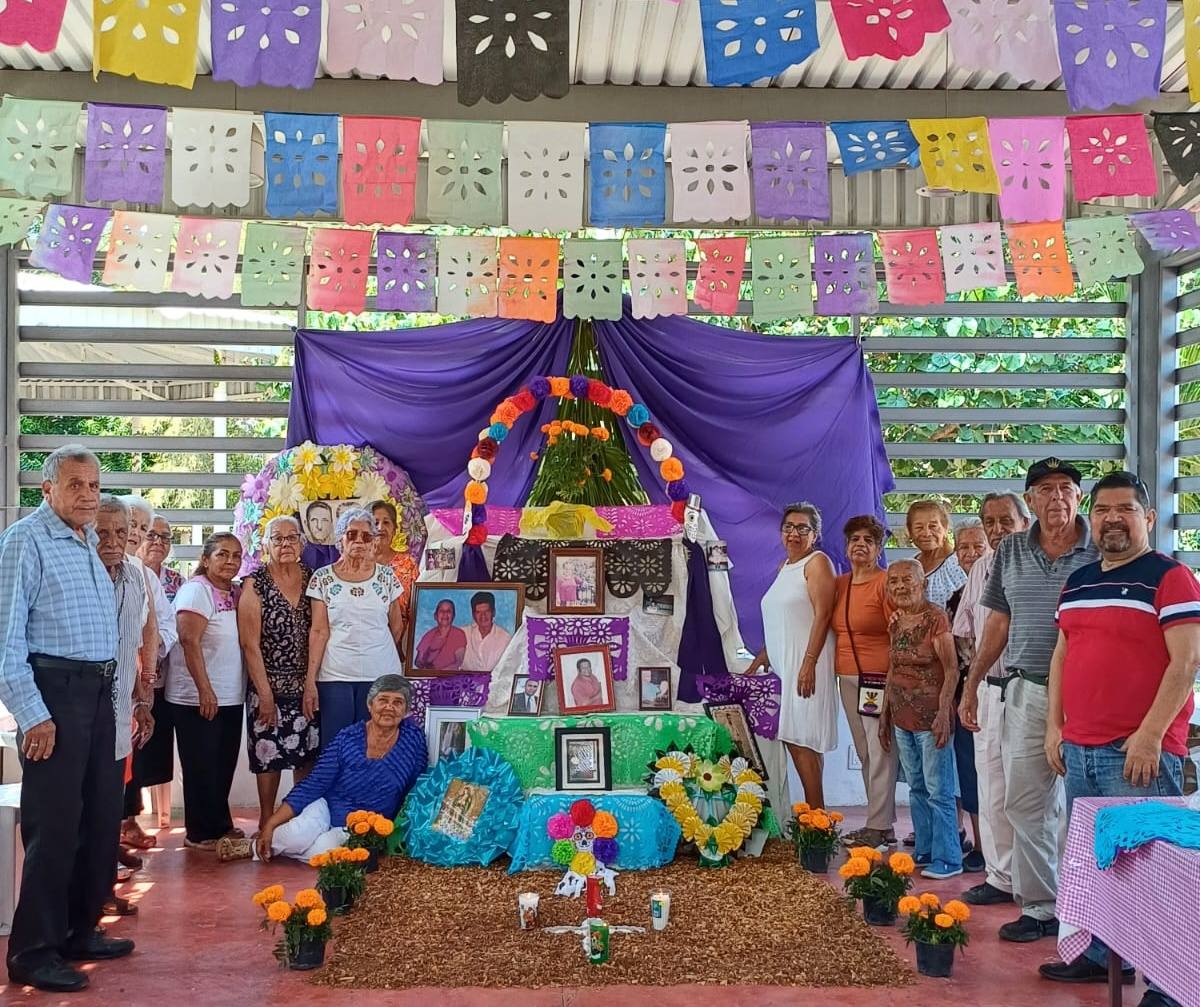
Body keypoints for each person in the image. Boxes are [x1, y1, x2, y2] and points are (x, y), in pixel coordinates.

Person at [1038, 472, 1200, 1007]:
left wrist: (1151, 734)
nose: (1112, 518)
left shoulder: (1171, 578)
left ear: (1148, 518)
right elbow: (1062, 655)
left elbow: (1187, 662)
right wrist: (1053, 727)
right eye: (1104, 509)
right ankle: (1101, 954)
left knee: (1157, 871)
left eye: (1126, 509)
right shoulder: (1080, 580)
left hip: (1137, 752)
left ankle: (1169, 984)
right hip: (1080, 750)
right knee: (1100, 865)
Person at [0, 446, 130, 993]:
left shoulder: (84, 543)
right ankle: (32, 951)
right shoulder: (24, 542)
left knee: (100, 818)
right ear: (47, 488)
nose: (87, 495)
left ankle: (81, 930)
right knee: (53, 830)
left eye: (94, 486)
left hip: (97, 695)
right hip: (55, 696)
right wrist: (34, 716)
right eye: (75, 484)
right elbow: (6, 645)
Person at [960, 458, 1098, 943]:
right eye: (1044, 489)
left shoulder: (1102, 547)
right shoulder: (1012, 551)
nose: (1056, 497)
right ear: (1031, 500)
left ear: (1079, 497)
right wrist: (972, 683)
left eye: (1065, 488)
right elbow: (996, 623)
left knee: (1083, 805)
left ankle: (1086, 909)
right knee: (1024, 802)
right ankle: (1042, 907)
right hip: (1027, 690)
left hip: (1090, 697)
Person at [255, 675, 426, 862]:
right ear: (370, 705)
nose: (389, 708)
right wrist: (271, 823)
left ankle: (269, 849)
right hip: (327, 807)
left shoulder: (413, 741)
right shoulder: (348, 737)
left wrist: (398, 833)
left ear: (406, 709)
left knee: (325, 851)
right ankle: (255, 847)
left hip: (364, 825)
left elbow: (417, 790)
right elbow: (314, 783)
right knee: (296, 835)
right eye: (383, 700)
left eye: (398, 702)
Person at [954, 492, 1031, 906]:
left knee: (1031, 790)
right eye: (990, 522)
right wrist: (971, 687)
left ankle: (1036, 882)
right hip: (989, 688)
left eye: (1006, 521)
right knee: (991, 783)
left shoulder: (1041, 563)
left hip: (1031, 688)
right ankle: (1000, 875)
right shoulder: (981, 568)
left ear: (1024, 521)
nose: (998, 530)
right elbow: (966, 631)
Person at [747, 502, 838, 809]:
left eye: (803, 528)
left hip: (806, 663)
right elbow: (781, 620)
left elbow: (823, 615)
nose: (794, 533)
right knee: (797, 739)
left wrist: (808, 663)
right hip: (785, 665)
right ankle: (817, 820)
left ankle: (817, 821)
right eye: (789, 527)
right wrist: (763, 655)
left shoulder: (818, 563)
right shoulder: (784, 568)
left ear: (815, 534)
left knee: (802, 740)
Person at [880, 559, 961, 880]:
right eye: (894, 581)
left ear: (923, 583)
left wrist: (944, 712)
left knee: (938, 790)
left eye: (907, 580)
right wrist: (885, 715)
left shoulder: (936, 619)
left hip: (931, 719)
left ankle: (949, 858)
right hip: (902, 717)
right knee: (915, 787)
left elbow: (952, 669)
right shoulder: (897, 621)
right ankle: (925, 848)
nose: (900, 586)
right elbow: (893, 669)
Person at [237, 515, 318, 834]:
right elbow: (249, 643)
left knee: (305, 755)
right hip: (266, 685)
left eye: (291, 537)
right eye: (277, 538)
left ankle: (297, 821)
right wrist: (265, 694)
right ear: (265, 545)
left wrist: (311, 683)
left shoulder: (314, 579)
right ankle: (266, 819)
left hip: (306, 686)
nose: (285, 544)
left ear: (301, 543)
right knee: (267, 754)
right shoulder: (255, 583)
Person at [167, 532, 246, 851]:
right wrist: (205, 690)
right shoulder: (196, 591)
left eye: (236, 555)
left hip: (229, 694)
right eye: (222, 554)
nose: (230, 561)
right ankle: (199, 832)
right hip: (197, 695)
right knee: (201, 764)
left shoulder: (235, 592)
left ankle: (219, 824)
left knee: (221, 764)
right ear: (205, 559)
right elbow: (189, 640)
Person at [94, 496, 154, 912]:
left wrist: (144, 693)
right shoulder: (79, 573)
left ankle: (101, 892)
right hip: (77, 712)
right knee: (82, 814)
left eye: (125, 530)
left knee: (107, 805)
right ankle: (82, 905)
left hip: (120, 707)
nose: (117, 540)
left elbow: (142, 632)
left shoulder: (135, 576)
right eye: (104, 532)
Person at [305, 508, 406, 744]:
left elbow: (397, 627)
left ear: (373, 541)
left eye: (366, 536)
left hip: (380, 675)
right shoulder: (322, 578)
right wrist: (310, 680)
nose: (359, 541)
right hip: (335, 674)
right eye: (352, 534)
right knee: (336, 746)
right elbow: (319, 631)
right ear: (340, 538)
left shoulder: (387, 577)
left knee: (375, 744)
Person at [830, 514, 898, 849]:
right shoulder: (839, 584)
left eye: (868, 540)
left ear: (879, 548)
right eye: (855, 539)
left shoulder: (885, 583)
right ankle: (881, 822)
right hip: (847, 677)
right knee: (863, 749)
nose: (860, 545)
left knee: (879, 747)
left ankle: (879, 824)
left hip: (877, 678)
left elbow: (898, 628)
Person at [118, 496, 175, 852]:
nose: (139, 535)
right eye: (136, 527)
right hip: (101, 681)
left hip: (139, 681)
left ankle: (117, 835)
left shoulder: (141, 575)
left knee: (127, 762)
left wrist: (148, 674)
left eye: (144, 528)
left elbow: (158, 626)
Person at [945, 518, 989, 873]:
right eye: (964, 548)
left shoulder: (1008, 588)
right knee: (970, 770)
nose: (971, 554)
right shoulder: (955, 599)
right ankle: (978, 842)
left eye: (979, 546)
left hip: (1005, 690)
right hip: (968, 695)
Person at [907, 499, 967, 609]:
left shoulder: (957, 564)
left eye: (933, 526)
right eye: (919, 527)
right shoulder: (910, 566)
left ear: (945, 528)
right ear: (910, 532)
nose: (926, 533)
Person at [371, 499, 418, 600]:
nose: (380, 528)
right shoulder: (356, 561)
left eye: (386, 522)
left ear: (394, 530)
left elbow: (416, 606)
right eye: (375, 523)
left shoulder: (408, 564)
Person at [462, 590, 513, 672]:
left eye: (487, 611)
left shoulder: (505, 638)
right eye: (478, 612)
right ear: (473, 615)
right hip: (465, 682)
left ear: (493, 612)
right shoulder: (463, 633)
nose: (483, 616)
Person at [414, 598, 467, 672]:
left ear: (453, 616)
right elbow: (418, 661)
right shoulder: (428, 635)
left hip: (450, 677)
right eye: (441, 611)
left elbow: (459, 663)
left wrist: (439, 673)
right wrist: (425, 669)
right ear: (435, 616)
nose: (445, 614)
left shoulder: (458, 634)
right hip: (429, 676)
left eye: (448, 611)